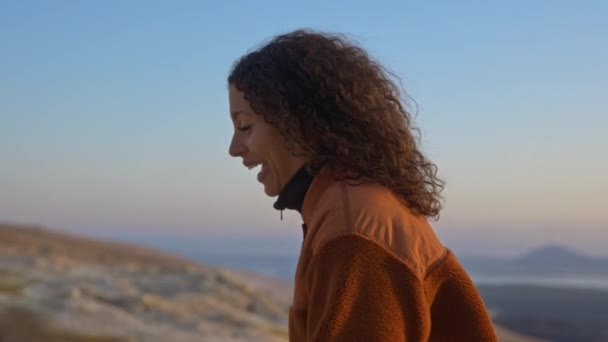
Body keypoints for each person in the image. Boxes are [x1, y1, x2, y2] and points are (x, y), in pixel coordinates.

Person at [227, 29, 497, 342]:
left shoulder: (353, 230)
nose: (234, 147)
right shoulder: (350, 205)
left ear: (300, 122)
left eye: (245, 126)